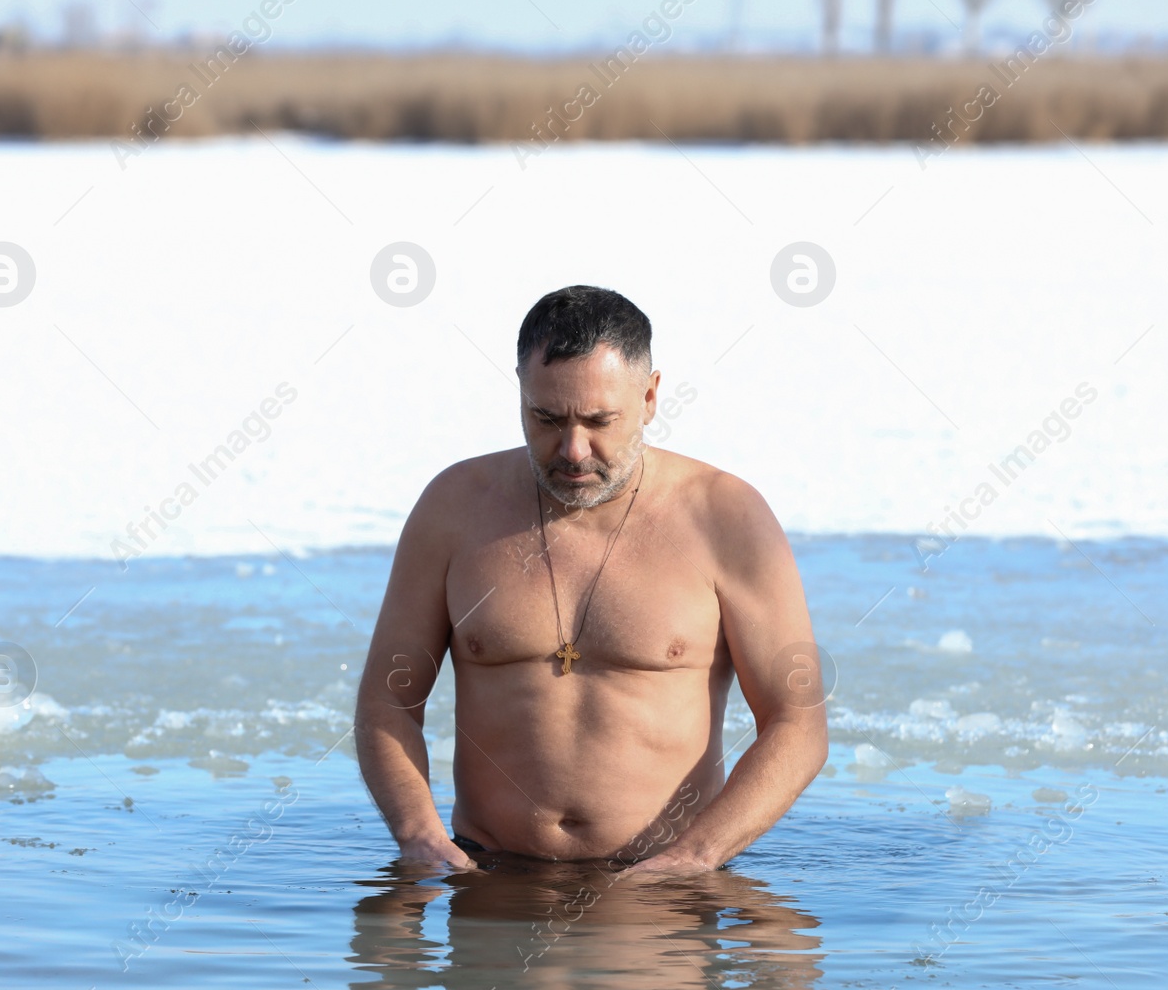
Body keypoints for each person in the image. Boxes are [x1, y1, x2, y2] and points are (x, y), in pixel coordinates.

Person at [354, 284, 827, 872]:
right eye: (546, 418)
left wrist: (696, 857)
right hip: (488, 878)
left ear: (651, 397)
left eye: (600, 420)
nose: (573, 450)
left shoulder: (725, 518)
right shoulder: (454, 508)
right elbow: (388, 702)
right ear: (520, 397)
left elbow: (796, 722)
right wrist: (420, 838)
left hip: (664, 889)